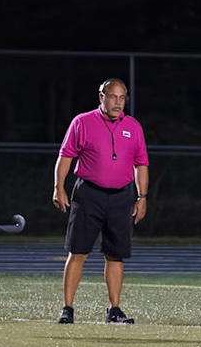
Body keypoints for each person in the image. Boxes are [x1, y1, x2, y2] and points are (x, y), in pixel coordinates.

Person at [52, 78, 149, 324]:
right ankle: (67, 308)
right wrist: (58, 188)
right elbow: (66, 156)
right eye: (113, 96)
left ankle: (114, 310)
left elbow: (141, 164)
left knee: (116, 255)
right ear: (101, 97)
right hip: (89, 194)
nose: (118, 102)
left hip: (122, 196)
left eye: (122, 97)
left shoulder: (133, 126)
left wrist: (142, 197)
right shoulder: (82, 122)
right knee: (78, 252)